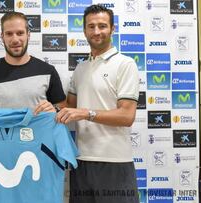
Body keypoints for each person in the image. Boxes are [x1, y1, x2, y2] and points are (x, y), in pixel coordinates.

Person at [56, 4, 139, 203]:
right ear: (84, 30)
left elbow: (127, 116)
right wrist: (48, 106)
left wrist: (87, 113)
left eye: (102, 26)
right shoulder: (81, 68)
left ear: (112, 28)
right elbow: (69, 107)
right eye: (91, 26)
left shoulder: (125, 64)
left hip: (115, 163)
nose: (96, 31)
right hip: (82, 162)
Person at [0, 12, 66, 116]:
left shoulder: (48, 71)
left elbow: (62, 109)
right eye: (9, 34)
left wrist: (55, 110)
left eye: (20, 33)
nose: (15, 40)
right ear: (2, 37)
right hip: (0, 133)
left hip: (39, 133)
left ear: (28, 35)